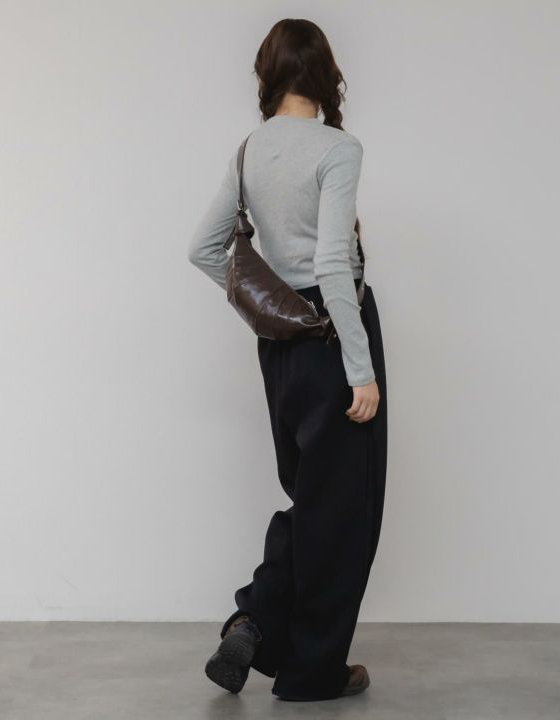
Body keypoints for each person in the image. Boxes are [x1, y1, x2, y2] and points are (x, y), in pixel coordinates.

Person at [187, 18, 388, 702]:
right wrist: (360, 367)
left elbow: (203, 249)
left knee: (313, 499)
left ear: (266, 75)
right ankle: (311, 672)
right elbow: (332, 261)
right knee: (343, 512)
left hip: (279, 344)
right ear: (326, 74)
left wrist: (267, 305)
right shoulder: (338, 148)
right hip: (333, 334)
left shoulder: (251, 150)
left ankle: (254, 620)